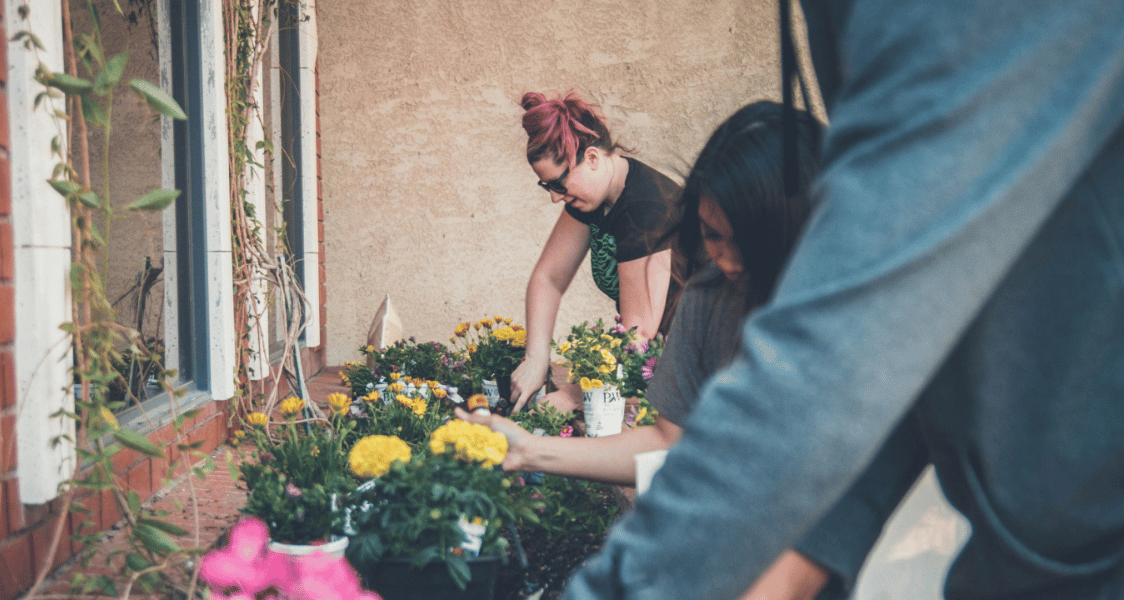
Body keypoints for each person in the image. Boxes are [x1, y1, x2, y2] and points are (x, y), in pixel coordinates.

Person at [562, 0, 1124, 599]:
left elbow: (842, 348)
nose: (723, 262)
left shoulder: (964, 22)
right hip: (1025, 556)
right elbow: (899, 353)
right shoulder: (709, 296)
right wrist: (806, 562)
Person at [464, 101, 894, 599]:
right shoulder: (709, 296)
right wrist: (529, 450)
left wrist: (580, 396)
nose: (726, 261)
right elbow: (669, 440)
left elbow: (853, 494)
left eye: (746, 242)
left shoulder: (858, 313)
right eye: (711, 237)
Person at [510, 91, 684, 413]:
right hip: (658, 363)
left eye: (558, 184)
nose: (555, 198)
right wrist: (536, 358)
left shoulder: (645, 208)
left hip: (701, 363)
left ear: (591, 158)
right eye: (547, 186)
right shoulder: (594, 196)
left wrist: (573, 396)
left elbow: (638, 335)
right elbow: (548, 278)